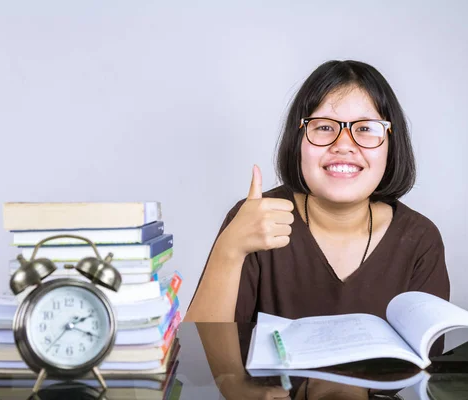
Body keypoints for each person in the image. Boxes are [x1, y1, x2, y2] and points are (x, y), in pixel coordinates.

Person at [185, 59, 450, 347]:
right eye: (324, 127)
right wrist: (230, 248)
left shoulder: (419, 239)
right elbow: (197, 357)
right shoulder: (255, 219)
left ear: (391, 144)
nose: (344, 144)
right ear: (297, 139)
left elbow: (426, 370)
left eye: (365, 129)